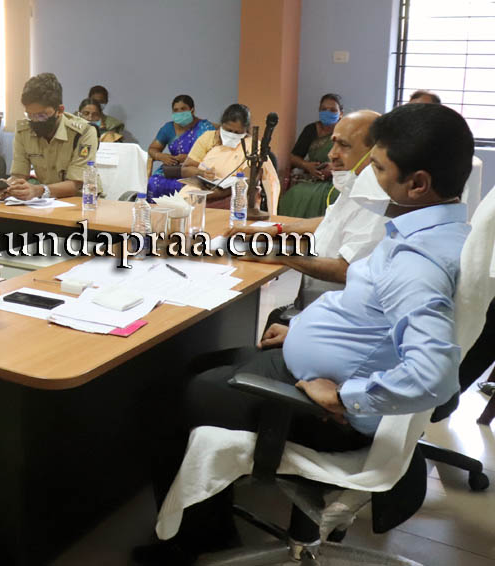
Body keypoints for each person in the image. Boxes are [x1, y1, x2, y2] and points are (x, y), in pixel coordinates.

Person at [135, 102, 474, 565]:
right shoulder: (426, 231)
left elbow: (435, 376)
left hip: (320, 409)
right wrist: (300, 329)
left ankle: (193, 542)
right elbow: (367, 310)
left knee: (164, 397)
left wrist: (346, 398)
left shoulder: (419, 262)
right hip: (305, 368)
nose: (368, 176)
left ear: (417, 183)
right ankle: (207, 519)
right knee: (198, 366)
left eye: (378, 167)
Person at [228, 110, 385, 309]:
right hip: (316, 300)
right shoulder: (355, 185)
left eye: (344, 145)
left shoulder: (377, 202)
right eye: (334, 143)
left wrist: (276, 253)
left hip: (340, 312)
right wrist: (275, 230)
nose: (332, 154)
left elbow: (346, 270)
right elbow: (331, 221)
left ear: (376, 153)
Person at [0, 73, 98, 201]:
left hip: (82, 201)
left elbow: (75, 184)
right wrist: (8, 187)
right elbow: (19, 175)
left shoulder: (84, 132)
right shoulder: (24, 131)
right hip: (46, 202)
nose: (35, 121)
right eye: (30, 115)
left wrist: (38, 190)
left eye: (42, 115)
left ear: (60, 110)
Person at [175, 103, 280, 214]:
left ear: (245, 131)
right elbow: (185, 170)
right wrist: (201, 173)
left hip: (236, 194)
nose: (232, 135)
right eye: (228, 130)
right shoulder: (208, 138)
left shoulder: (252, 146)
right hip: (202, 189)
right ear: (221, 125)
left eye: (237, 133)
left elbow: (248, 180)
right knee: (180, 206)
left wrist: (216, 193)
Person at [278, 93, 344, 217]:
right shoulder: (311, 130)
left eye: (332, 110)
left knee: (337, 196)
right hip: (313, 179)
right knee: (294, 194)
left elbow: (355, 161)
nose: (327, 112)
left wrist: (334, 168)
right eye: (324, 109)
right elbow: (293, 157)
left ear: (341, 113)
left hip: (338, 180)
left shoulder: (346, 132)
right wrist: (307, 166)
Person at [145, 94, 217, 199]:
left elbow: (214, 154)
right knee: (153, 182)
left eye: (183, 109)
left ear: (192, 110)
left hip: (196, 170)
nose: (179, 113)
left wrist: (190, 158)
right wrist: (161, 156)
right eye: (176, 110)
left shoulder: (205, 127)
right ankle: (156, 209)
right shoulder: (168, 128)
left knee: (187, 187)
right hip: (173, 169)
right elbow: (152, 149)